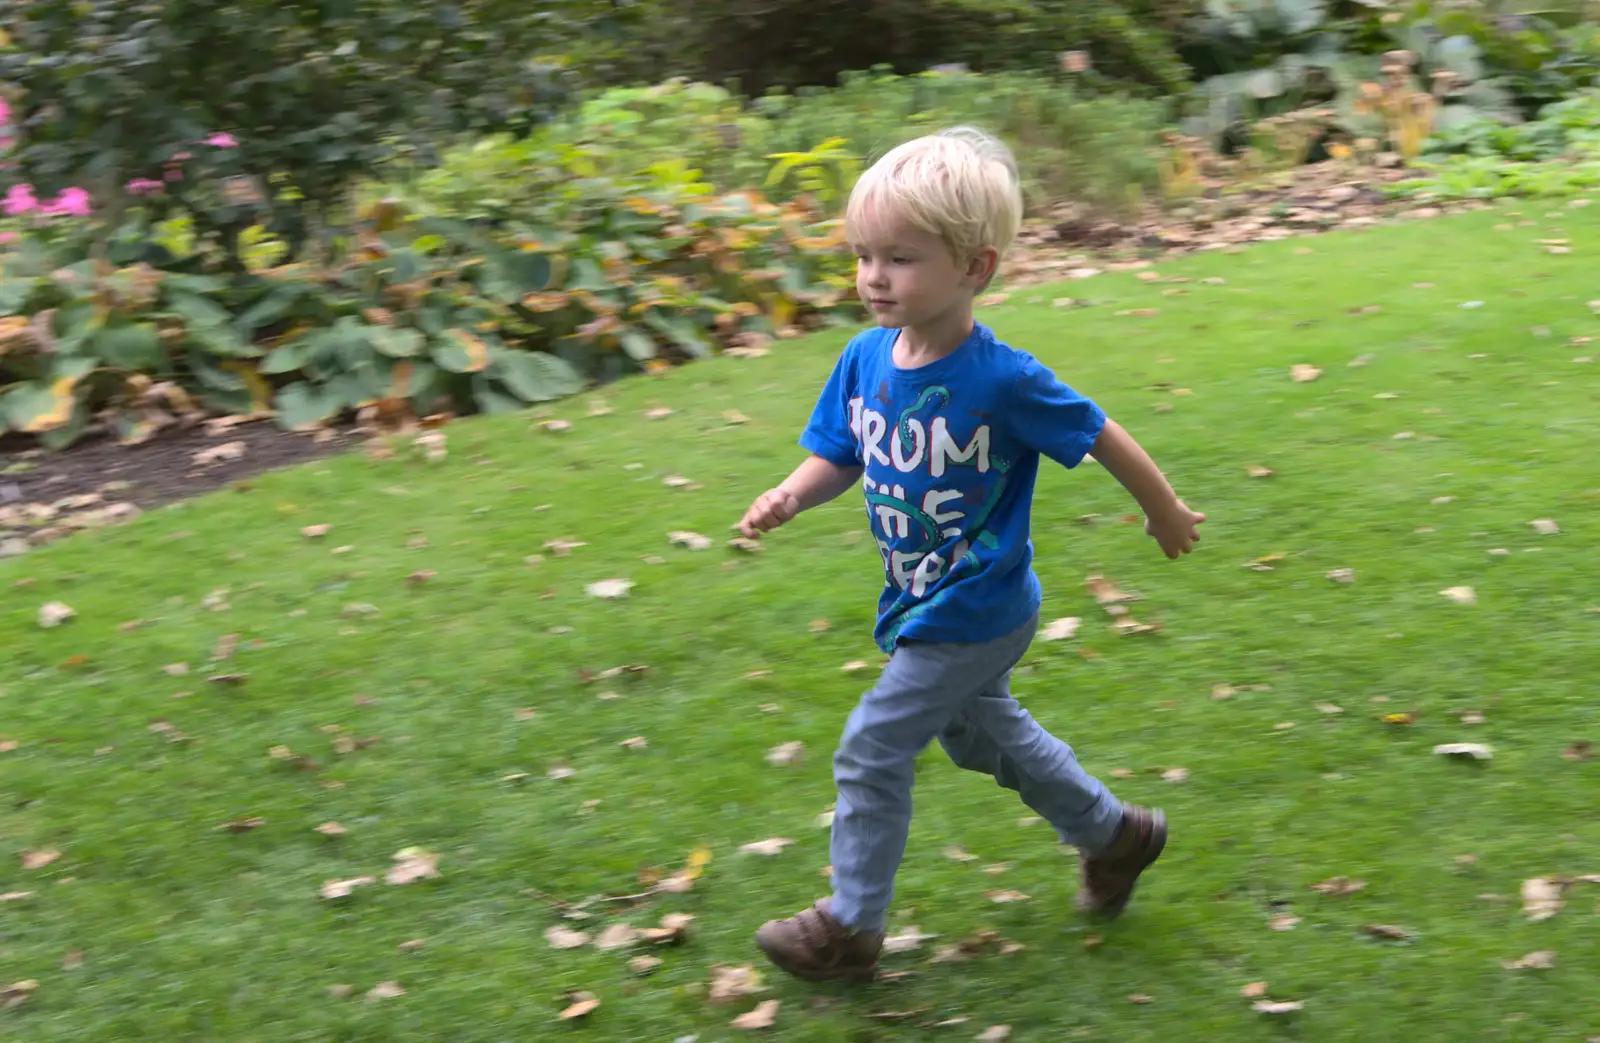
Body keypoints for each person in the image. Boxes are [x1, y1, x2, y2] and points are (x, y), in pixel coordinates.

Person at [735, 126, 1205, 983]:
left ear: (974, 269)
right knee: (980, 736)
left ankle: (849, 927)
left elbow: (1098, 433)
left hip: (979, 606)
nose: (873, 276)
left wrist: (1164, 509)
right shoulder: (865, 358)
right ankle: (1116, 835)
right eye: (863, 255)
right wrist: (791, 494)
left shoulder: (1004, 379)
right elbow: (845, 449)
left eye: (900, 259)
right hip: (919, 600)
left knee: (872, 746)